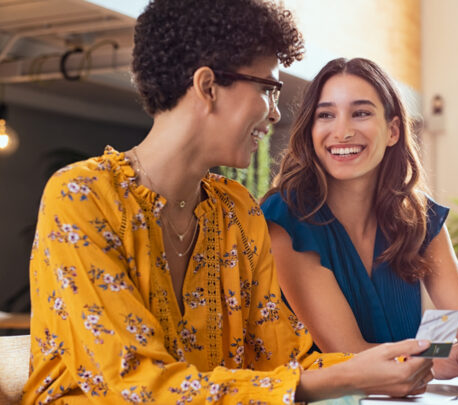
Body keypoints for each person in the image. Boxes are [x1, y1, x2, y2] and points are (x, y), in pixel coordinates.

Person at [22, 2, 435, 404]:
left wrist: (388, 365)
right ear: (207, 87)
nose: (275, 114)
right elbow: (135, 386)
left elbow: (286, 357)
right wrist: (338, 380)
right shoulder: (82, 196)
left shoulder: (235, 210)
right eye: (269, 89)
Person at [261, 57, 458, 389]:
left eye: (361, 112)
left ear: (393, 131)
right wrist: (437, 358)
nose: (342, 130)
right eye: (326, 115)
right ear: (310, 129)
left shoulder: (417, 218)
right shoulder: (288, 220)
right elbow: (353, 357)